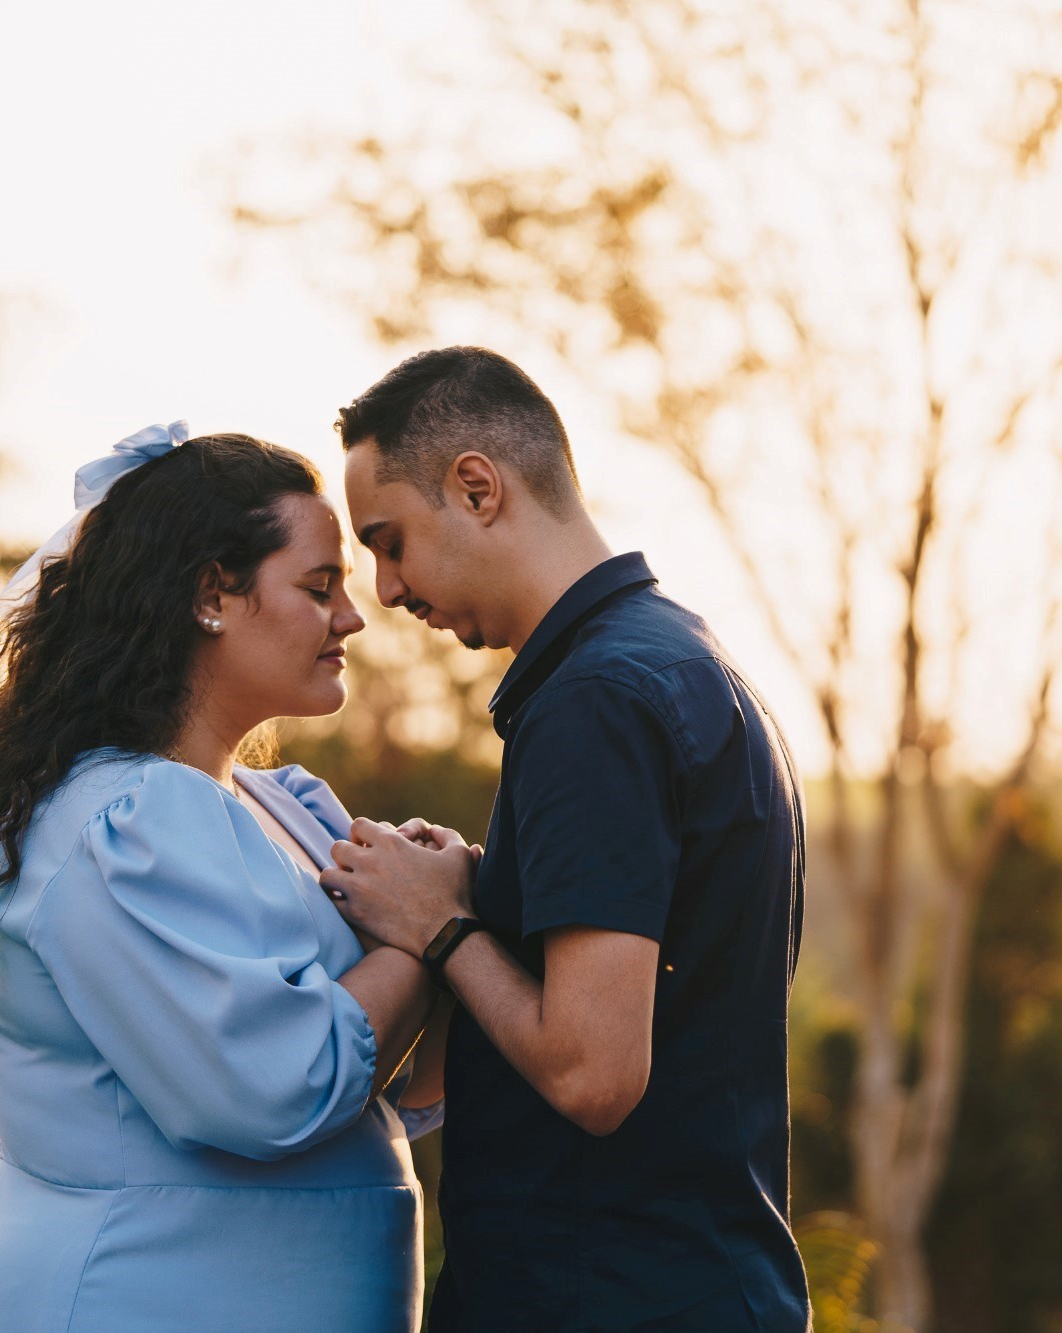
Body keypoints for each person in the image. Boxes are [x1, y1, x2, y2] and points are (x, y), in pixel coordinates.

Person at [0, 423, 444, 1332]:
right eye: (318, 586)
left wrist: (436, 912)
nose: (351, 616)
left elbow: (390, 1075)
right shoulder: (123, 820)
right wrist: (430, 931)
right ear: (213, 594)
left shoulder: (285, 807)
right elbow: (274, 1082)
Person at [323, 348, 813, 1331]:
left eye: (389, 541)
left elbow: (595, 1072)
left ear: (477, 487)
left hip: (608, 1298)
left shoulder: (593, 703)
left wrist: (442, 925)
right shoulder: (681, 657)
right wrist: (488, 891)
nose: (385, 588)